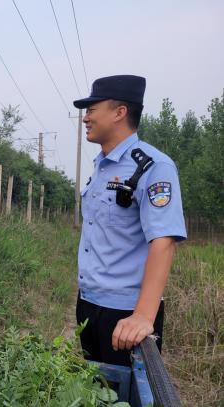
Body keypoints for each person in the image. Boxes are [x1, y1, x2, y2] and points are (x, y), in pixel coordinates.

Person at [72, 75, 187, 366]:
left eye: (92, 110)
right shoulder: (101, 165)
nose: (86, 118)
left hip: (125, 313)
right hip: (88, 303)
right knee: (96, 390)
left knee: (126, 395)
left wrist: (143, 316)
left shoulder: (152, 166)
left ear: (119, 112)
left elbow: (164, 240)